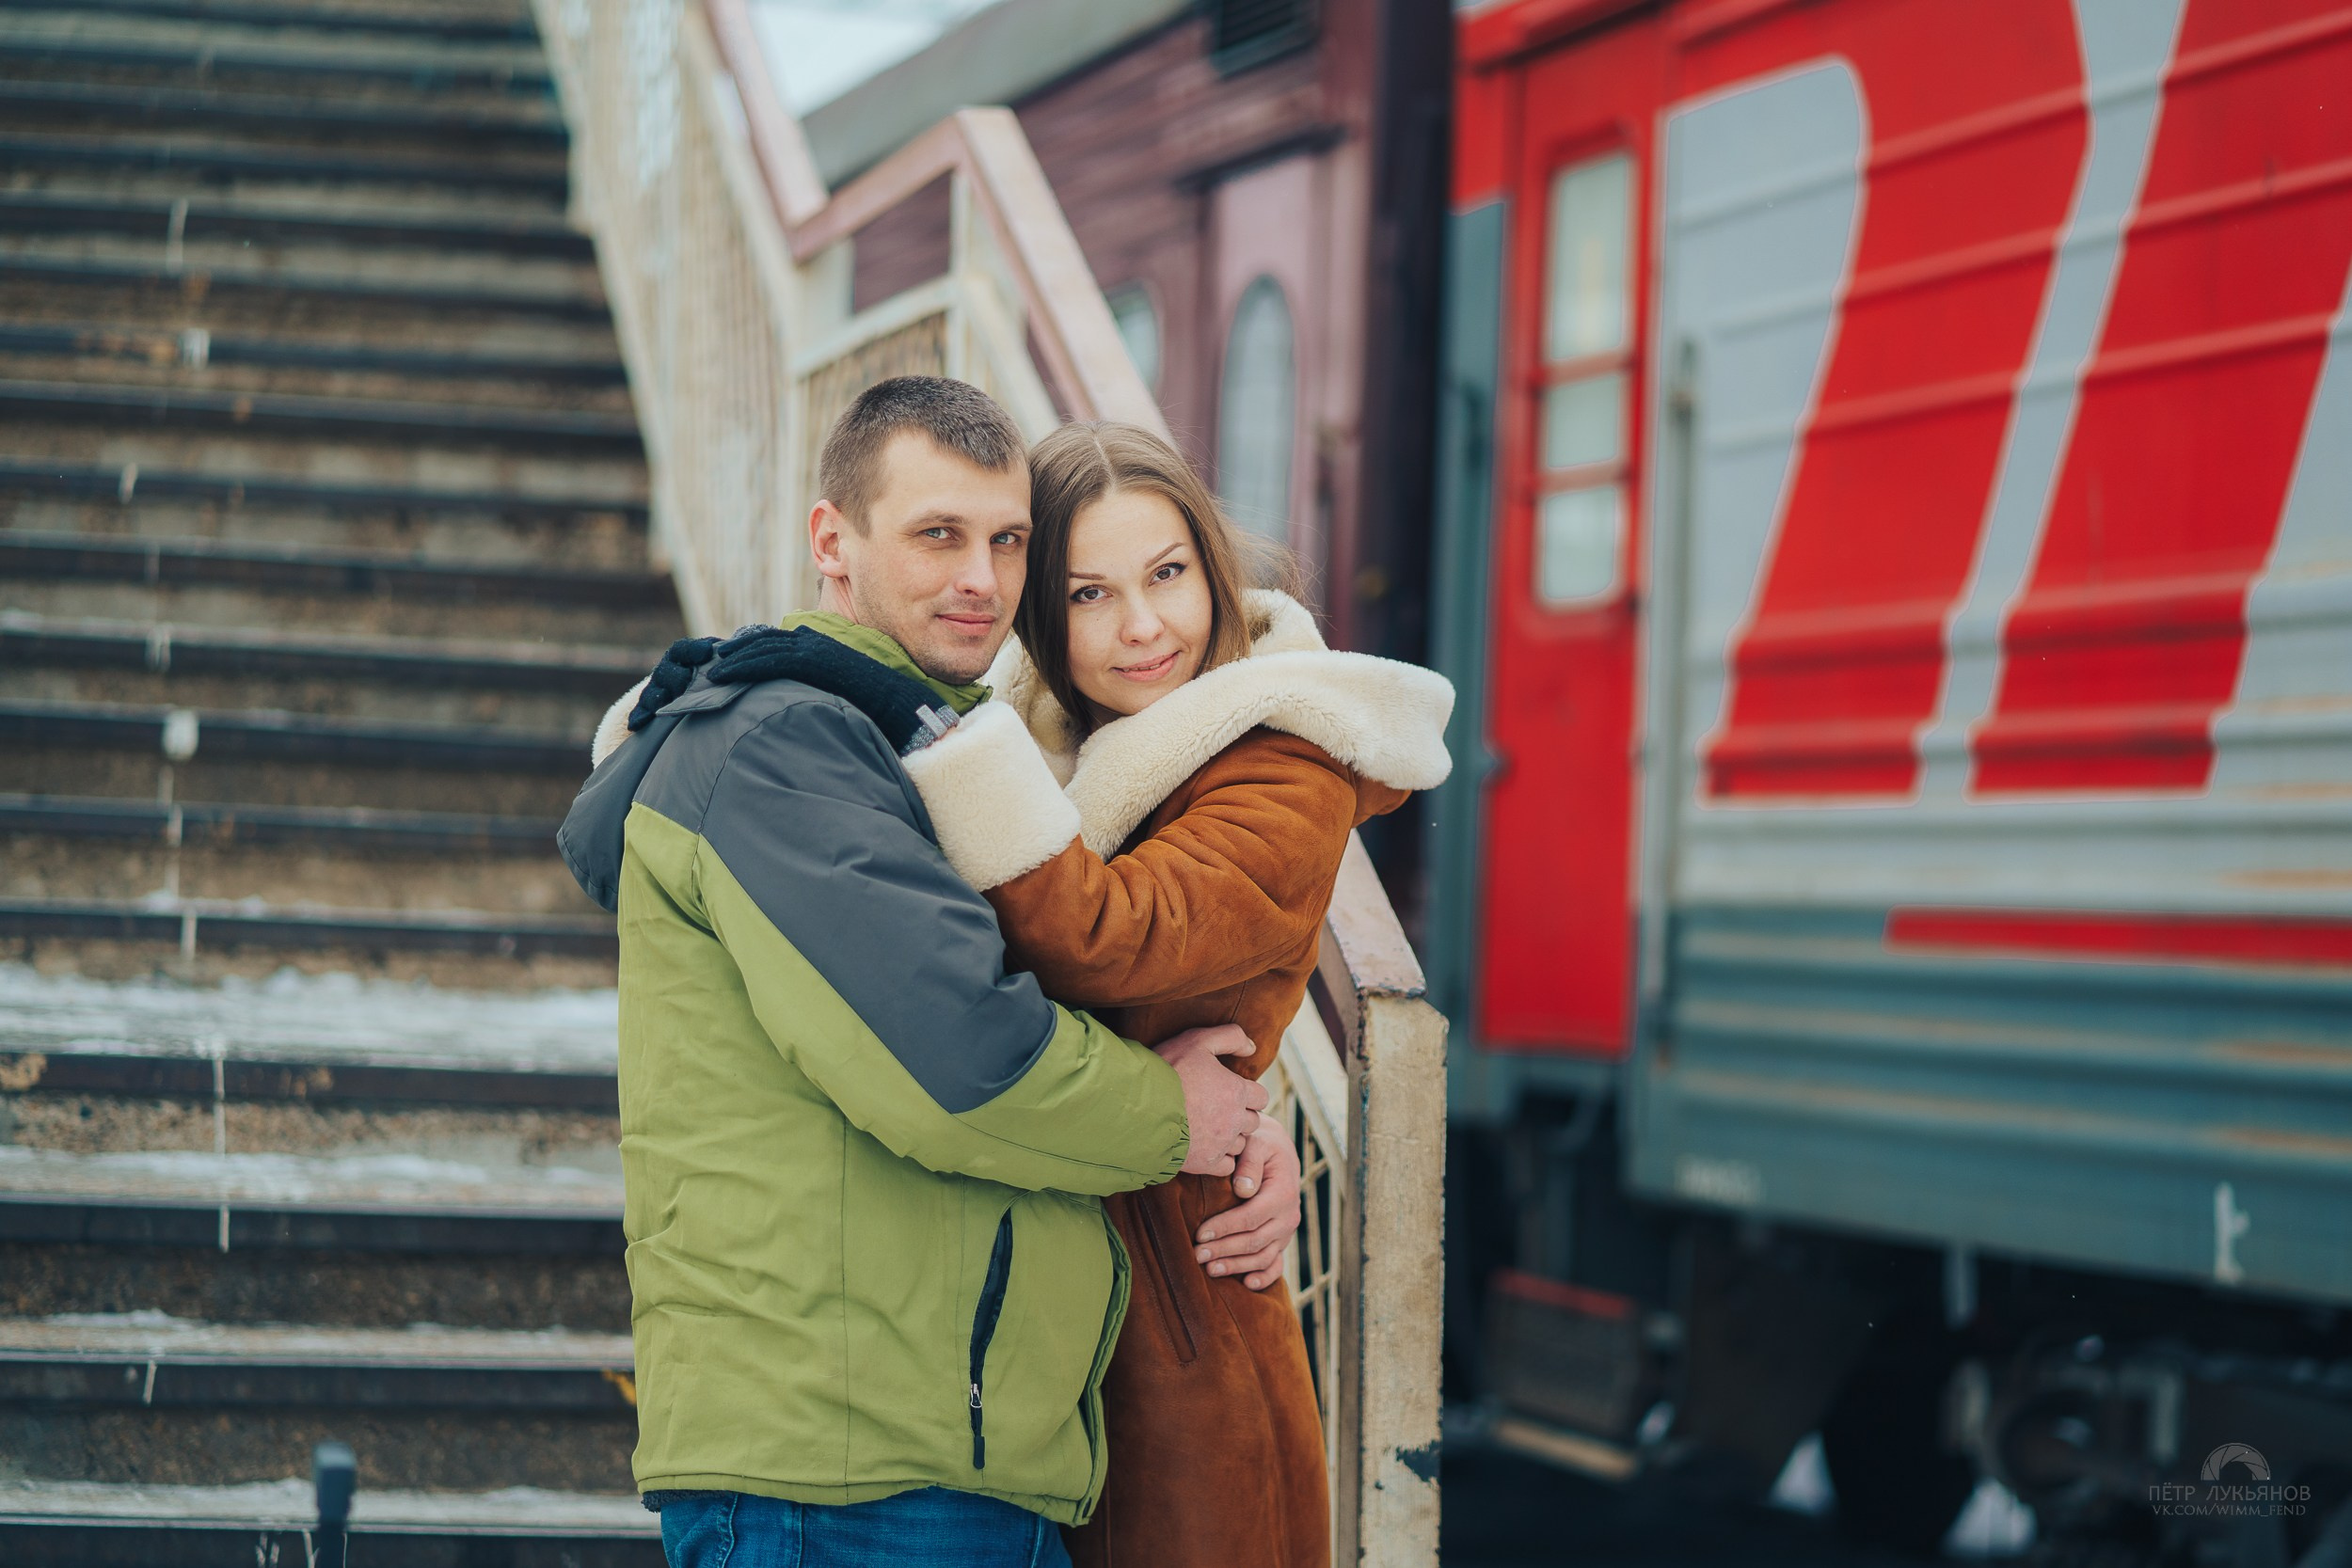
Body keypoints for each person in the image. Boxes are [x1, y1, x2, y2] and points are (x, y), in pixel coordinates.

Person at [560, 378, 1282, 1568]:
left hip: (919, 1454)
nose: (980, 579)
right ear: (831, 539)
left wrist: (1241, 1126)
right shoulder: (783, 744)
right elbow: (963, 1061)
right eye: (938, 534)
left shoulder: (911, 747)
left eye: (1008, 540)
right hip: (847, 1475)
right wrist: (1174, 1113)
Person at [894, 421, 1454, 1568]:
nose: (1142, 625)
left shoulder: (1283, 755)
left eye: (1166, 574)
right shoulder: (1069, 748)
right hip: (1050, 1299)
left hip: (1178, 1308)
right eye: (1089, 593)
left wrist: (962, 766)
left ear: (1212, 566)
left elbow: (1111, 941)